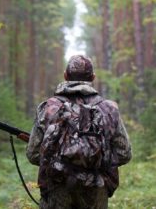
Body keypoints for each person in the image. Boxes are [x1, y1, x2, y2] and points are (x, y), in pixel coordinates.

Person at [26, 55, 132, 209]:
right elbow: (124, 154)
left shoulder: (48, 107)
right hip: (97, 190)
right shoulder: (109, 109)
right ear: (93, 77)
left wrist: (59, 160)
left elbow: (33, 154)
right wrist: (95, 162)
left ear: (65, 75)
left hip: (57, 188)